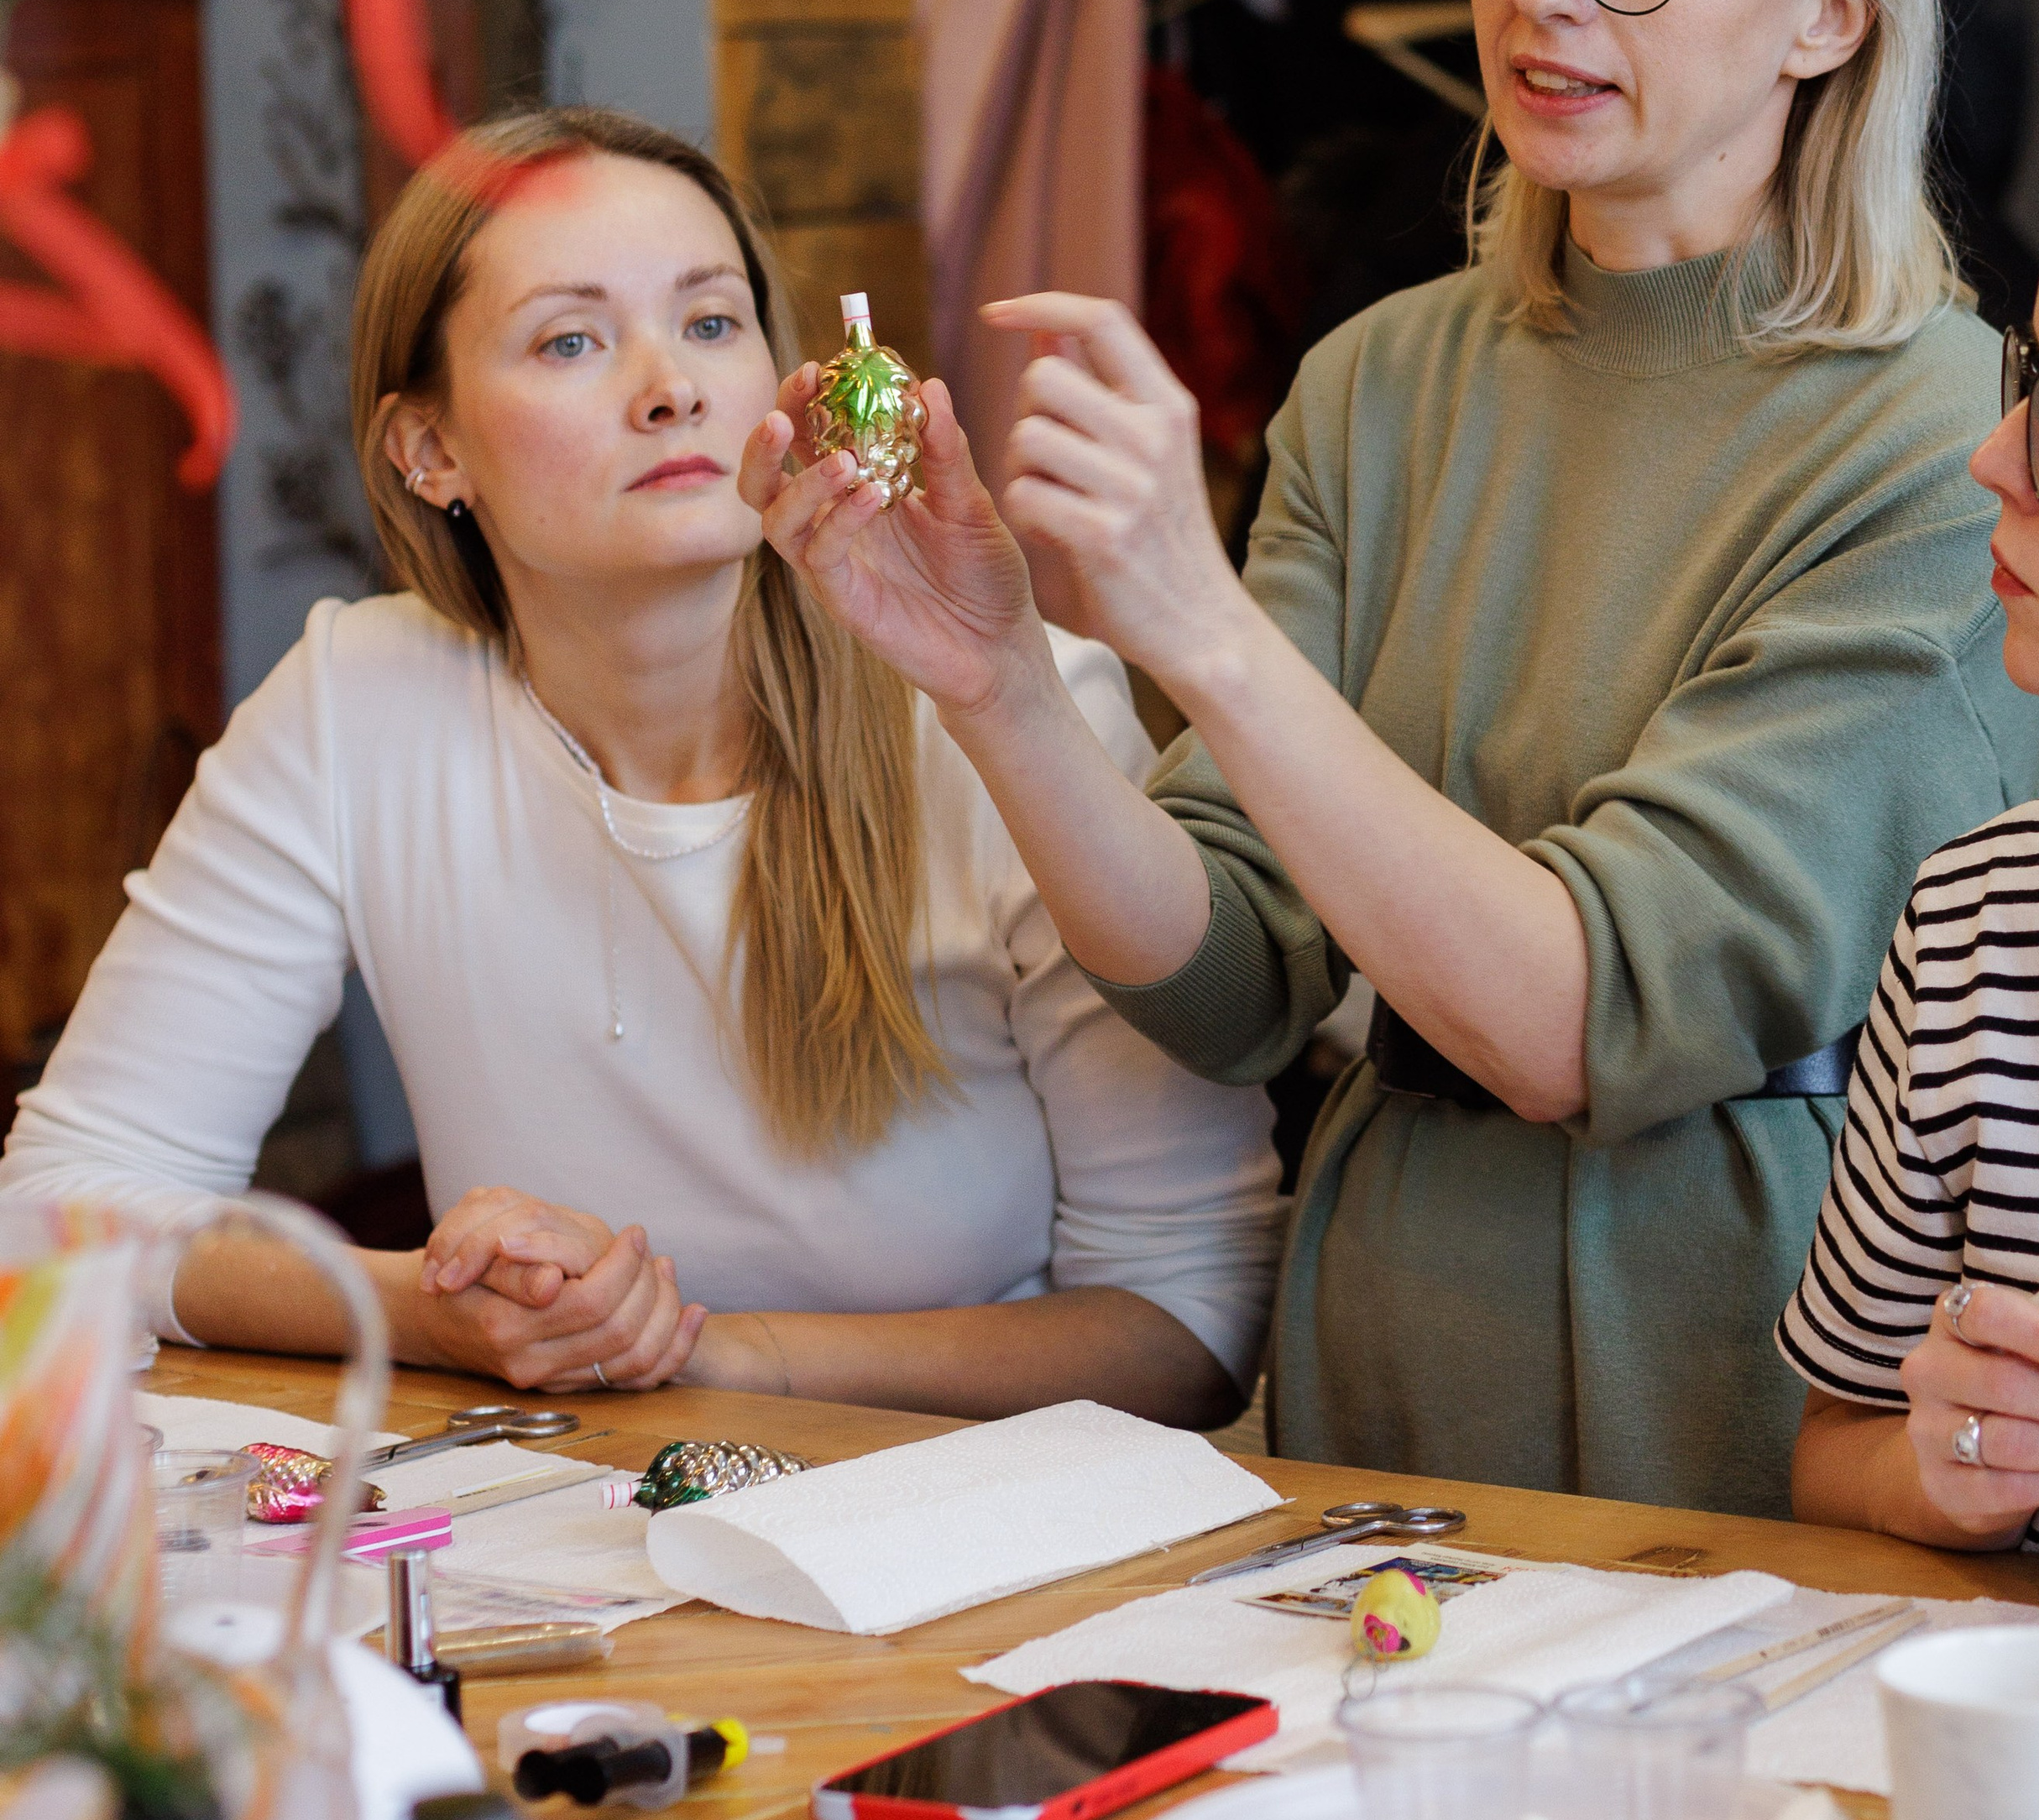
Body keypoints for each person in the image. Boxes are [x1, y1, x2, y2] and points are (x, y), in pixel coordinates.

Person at [745, 0, 2039, 1515]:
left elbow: (1577, 1016)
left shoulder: (1945, 446)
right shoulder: (1383, 379)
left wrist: (1190, 618)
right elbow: (1225, 975)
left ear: (1830, 13)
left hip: (1730, 1372)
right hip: (1379, 1363)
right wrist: (1002, 691)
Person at [0, 109, 1280, 1420]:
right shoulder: (357, 704)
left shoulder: (1009, 711)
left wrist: (703, 1355)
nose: (669, 385)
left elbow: (1193, 1319)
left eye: (712, 323)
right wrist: (423, 1312)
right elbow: (53, 1206)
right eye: (572, 339)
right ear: (429, 450)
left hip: (984, 1553)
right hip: (570, 1546)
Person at [1782, 46, 2039, 1557]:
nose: (1997, 457)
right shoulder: (1996, 916)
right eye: (2026, 378)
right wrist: (1960, 1465)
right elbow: (1837, 1455)